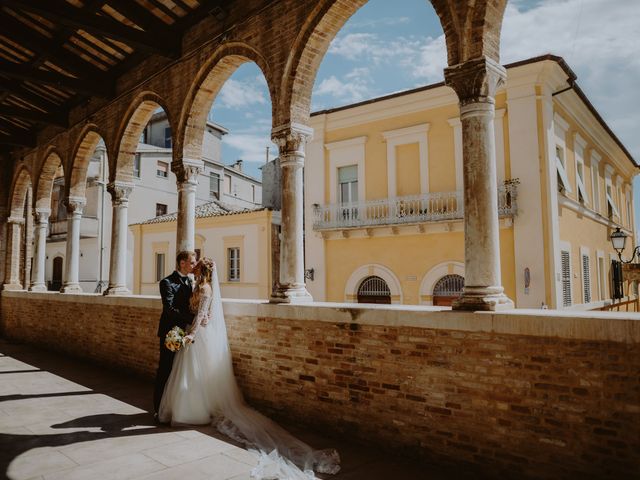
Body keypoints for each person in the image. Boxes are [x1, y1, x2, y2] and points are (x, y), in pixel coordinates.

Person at [159, 257, 340, 479]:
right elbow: (200, 314)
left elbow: (201, 316)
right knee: (192, 374)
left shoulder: (205, 288)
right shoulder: (197, 286)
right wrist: (194, 327)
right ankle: (188, 407)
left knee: (196, 375)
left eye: (196, 266)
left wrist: (191, 335)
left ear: (202, 271)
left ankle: (194, 410)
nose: (193, 268)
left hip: (198, 336)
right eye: (192, 264)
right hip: (194, 333)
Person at [153, 250, 197, 417]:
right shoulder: (166, 282)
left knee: (180, 372)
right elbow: (170, 309)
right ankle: (158, 409)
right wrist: (192, 318)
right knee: (165, 370)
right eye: (192, 262)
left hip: (185, 332)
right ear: (182, 263)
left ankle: (174, 407)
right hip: (170, 332)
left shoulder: (189, 282)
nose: (194, 265)